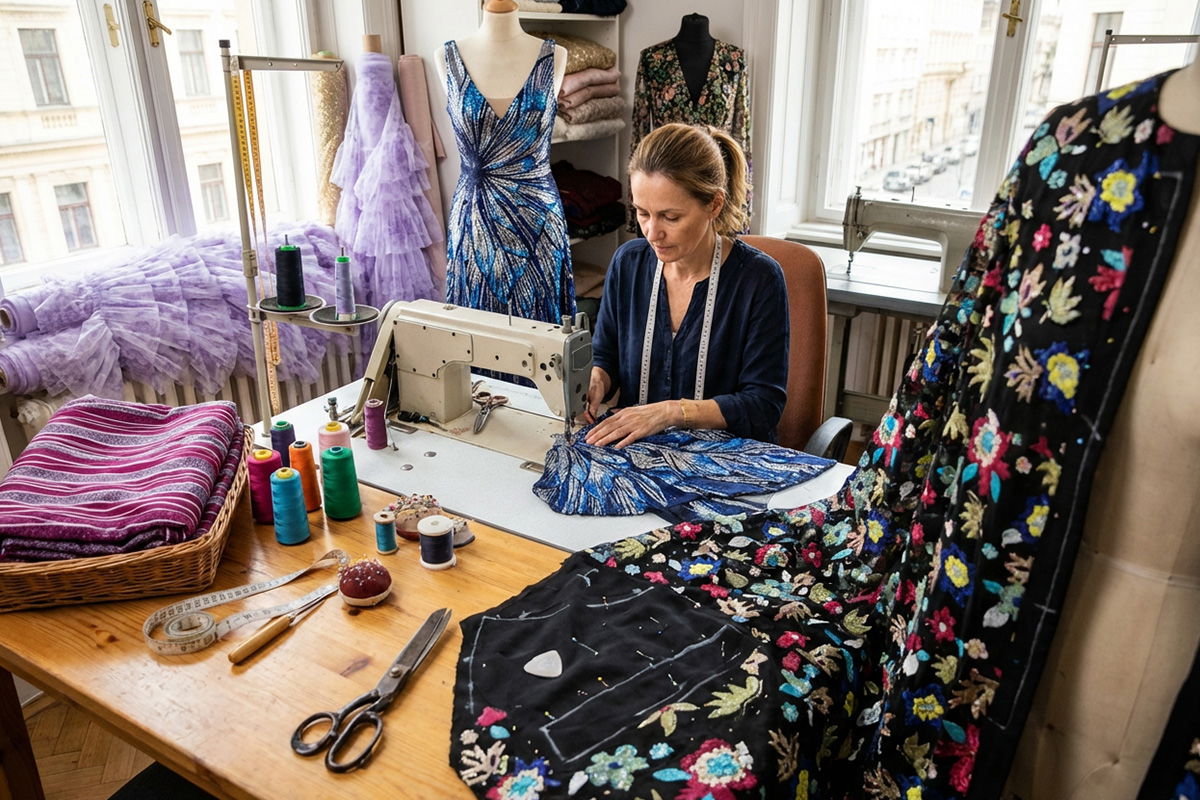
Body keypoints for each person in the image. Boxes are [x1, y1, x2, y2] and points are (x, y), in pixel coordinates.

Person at [583, 122, 788, 448]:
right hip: (642, 453)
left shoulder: (759, 281)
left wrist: (669, 413)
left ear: (714, 205)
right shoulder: (628, 264)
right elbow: (605, 357)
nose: (652, 232)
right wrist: (595, 382)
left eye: (671, 217)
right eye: (642, 213)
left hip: (727, 460)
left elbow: (763, 405)